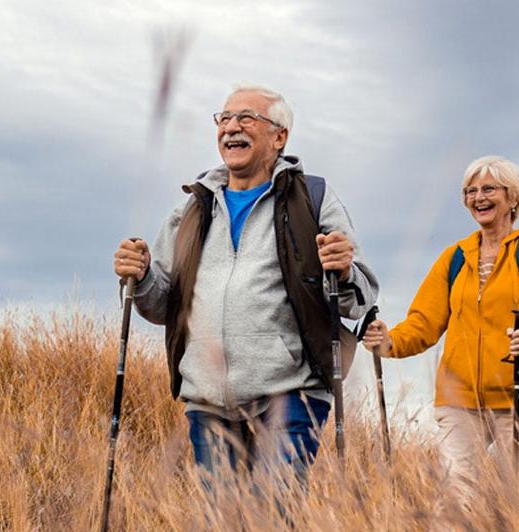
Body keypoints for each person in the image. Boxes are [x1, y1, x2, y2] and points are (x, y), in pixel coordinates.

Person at [113, 84, 377, 489]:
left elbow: (360, 297)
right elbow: (161, 303)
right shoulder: (192, 207)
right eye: (224, 119)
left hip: (290, 394)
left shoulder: (312, 199)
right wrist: (143, 274)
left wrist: (342, 271)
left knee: (272, 519)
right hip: (208, 400)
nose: (231, 127)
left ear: (279, 136)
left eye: (246, 118)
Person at [361, 155, 519, 497]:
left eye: (489, 189)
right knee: (456, 494)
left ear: (513, 197)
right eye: (469, 191)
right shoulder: (455, 257)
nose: (478, 198)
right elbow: (424, 322)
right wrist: (389, 342)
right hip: (459, 399)